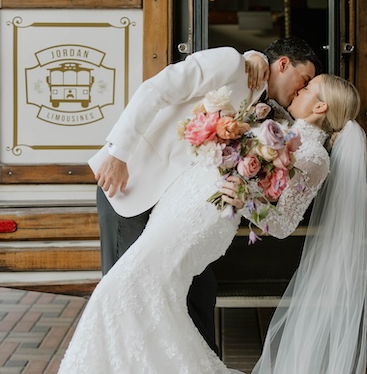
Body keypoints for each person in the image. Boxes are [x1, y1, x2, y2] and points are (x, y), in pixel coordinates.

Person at [60, 73, 367, 373]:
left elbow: (282, 223)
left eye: (308, 89)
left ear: (321, 107)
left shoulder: (314, 156)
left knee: (123, 286)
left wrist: (244, 200)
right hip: (180, 203)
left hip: (203, 220)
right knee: (153, 295)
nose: (299, 91)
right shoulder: (279, 127)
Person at [88, 37, 322, 353]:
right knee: (127, 293)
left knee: (198, 290)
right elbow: (155, 91)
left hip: (175, 208)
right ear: (283, 64)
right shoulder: (230, 63)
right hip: (132, 184)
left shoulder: (267, 112)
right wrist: (118, 154)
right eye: (303, 80)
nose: (300, 90)